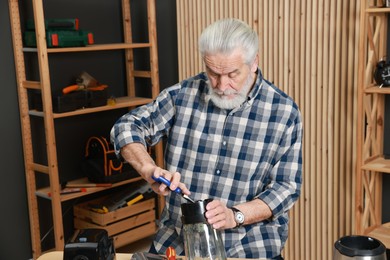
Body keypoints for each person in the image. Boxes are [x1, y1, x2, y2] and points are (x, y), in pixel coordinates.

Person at [111, 18, 302, 259]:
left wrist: (235, 215)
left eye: (233, 74)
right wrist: (147, 168)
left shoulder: (284, 112)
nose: (222, 85)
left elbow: (286, 188)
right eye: (213, 73)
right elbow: (127, 126)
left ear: (254, 62)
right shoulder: (182, 95)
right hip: (178, 240)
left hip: (251, 245)